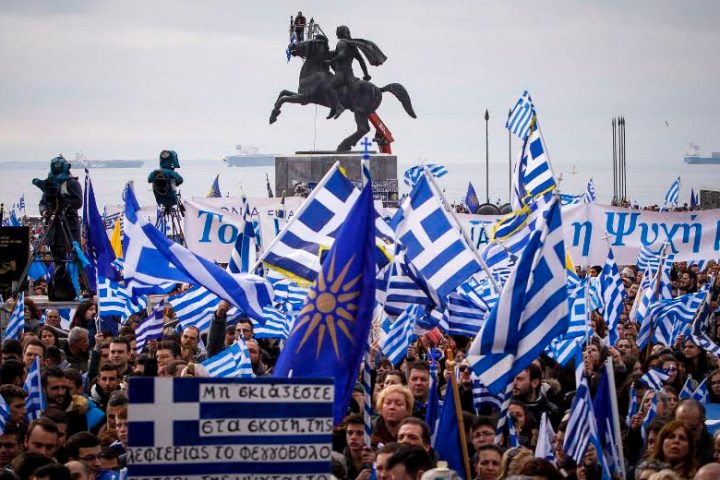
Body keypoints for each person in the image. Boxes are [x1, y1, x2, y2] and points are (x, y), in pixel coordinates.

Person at [32, 155, 83, 267]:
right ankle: (59, 275)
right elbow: (43, 202)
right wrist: (44, 211)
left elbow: (78, 202)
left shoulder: (73, 183)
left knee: (75, 261)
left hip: (69, 227)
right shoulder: (49, 184)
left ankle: (74, 277)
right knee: (57, 261)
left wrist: (63, 198)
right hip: (54, 228)